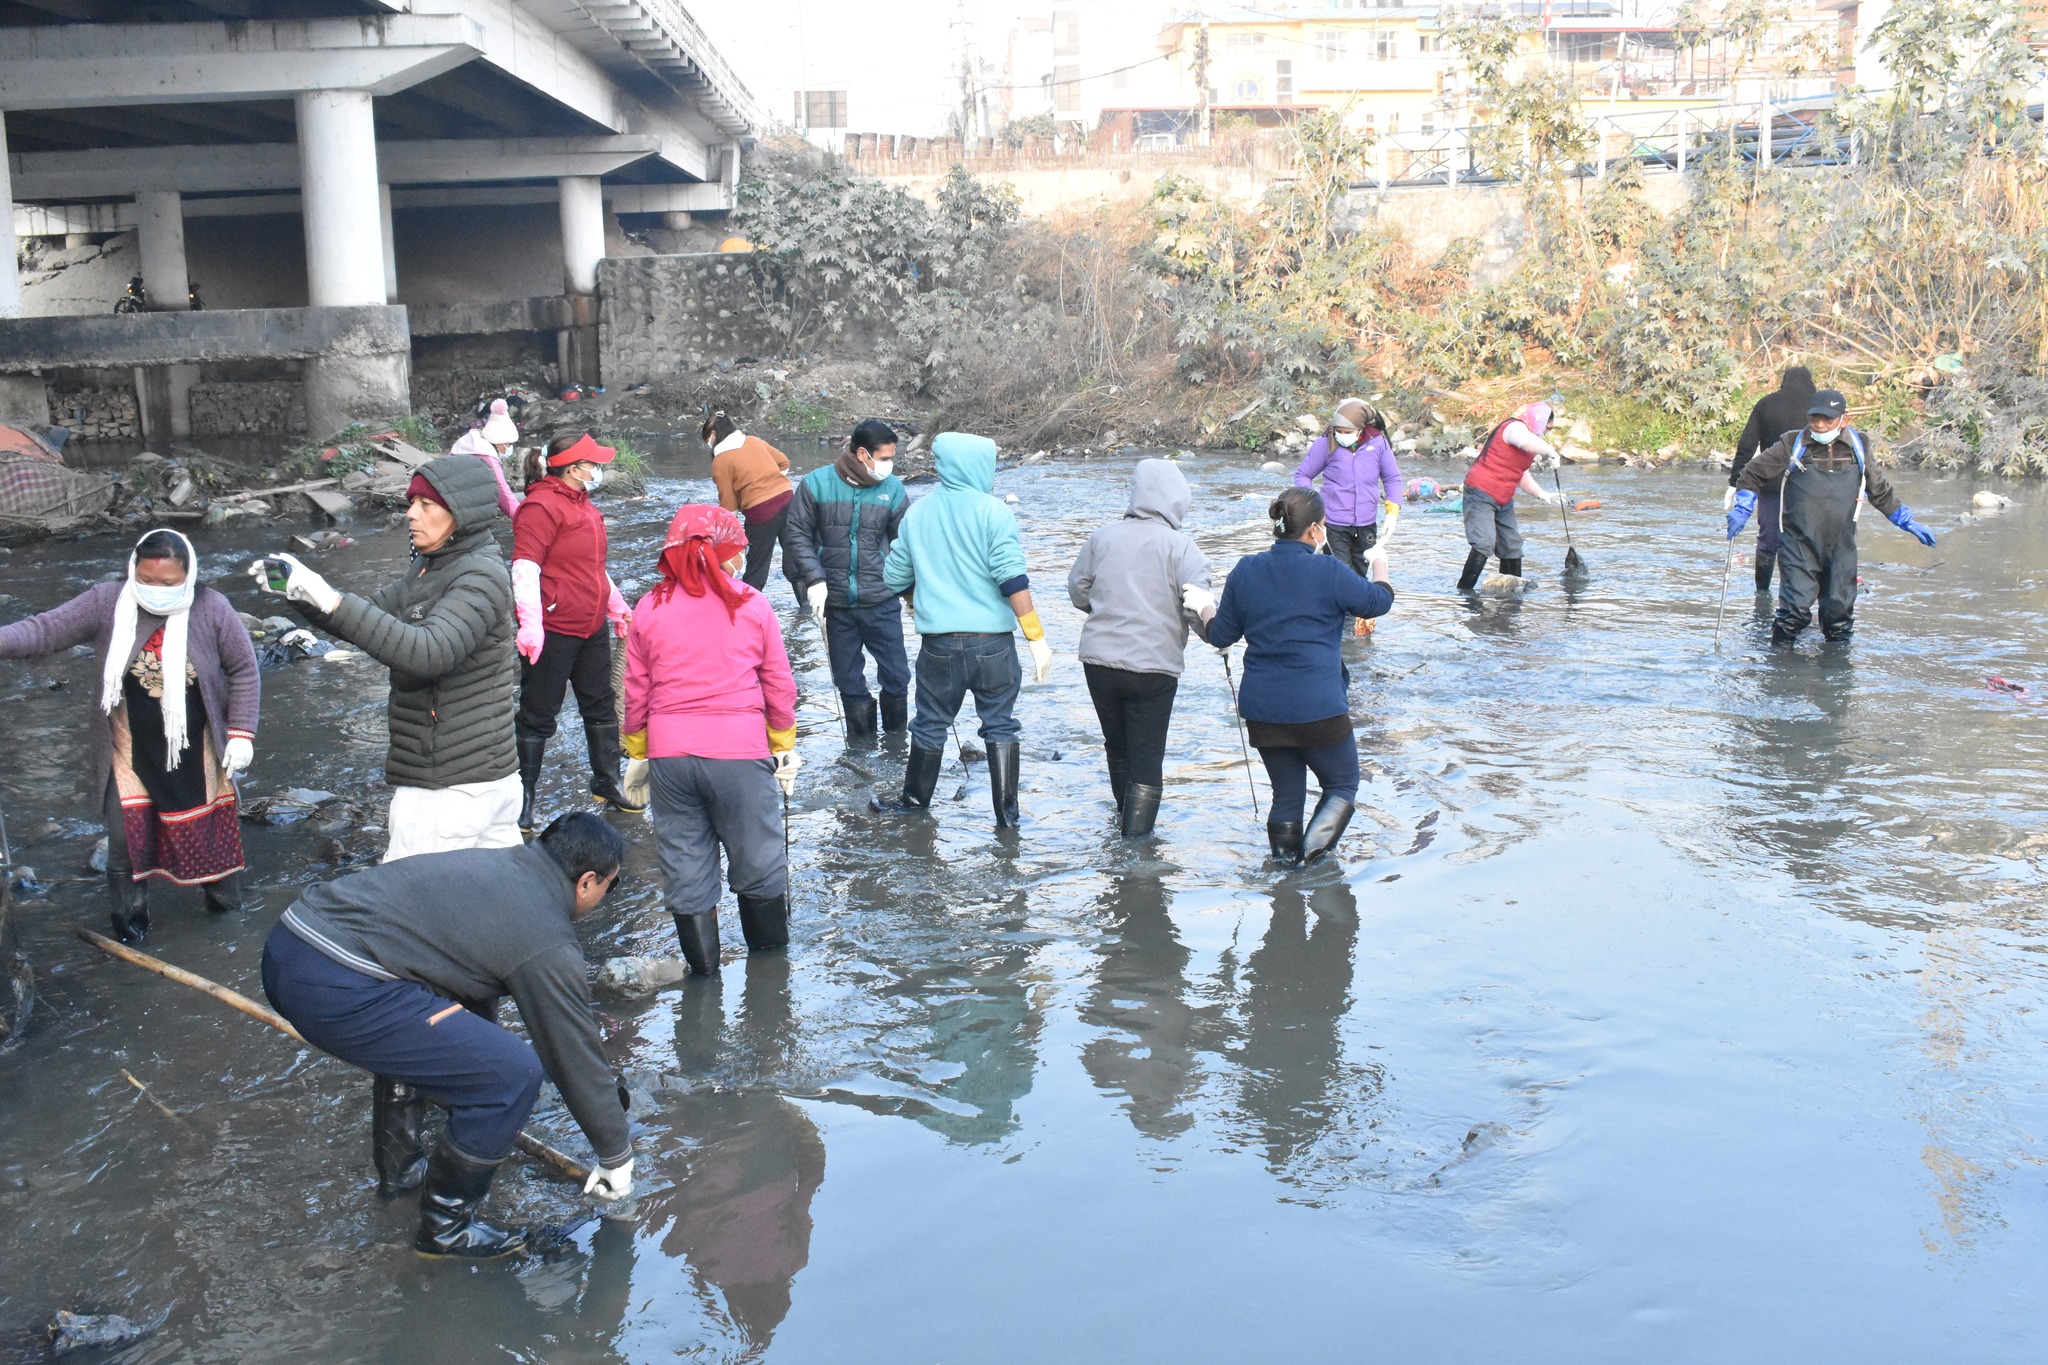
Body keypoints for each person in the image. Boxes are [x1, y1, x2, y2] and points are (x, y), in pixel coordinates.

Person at [261, 812, 634, 1260]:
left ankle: (402, 1172)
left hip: (291, 942)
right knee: (511, 1075)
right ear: (588, 881)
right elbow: (572, 1052)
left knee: (443, 1037)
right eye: (610, 887)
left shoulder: (497, 868)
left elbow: (465, 999)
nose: (605, 897)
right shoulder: (546, 938)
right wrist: (616, 1155)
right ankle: (446, 1228)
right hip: (333, 980)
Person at [254, 456, 520, 860]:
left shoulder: (479, 576)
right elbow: (370, 621)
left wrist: (332, 599)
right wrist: (305, 594)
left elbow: (429, 653)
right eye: (411, 502)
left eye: (426, 505)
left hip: (450, 789)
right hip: (477, 780)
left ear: (461, 514)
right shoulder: (430, 569)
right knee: (490, 910)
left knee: (412, 910)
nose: (411, 514)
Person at [0, 529, 258, 943]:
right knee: (123, 849)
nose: (156, 591)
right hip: (128, 747)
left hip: (198, 750)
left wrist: (242, 732)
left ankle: (229, 929)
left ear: (189, 577)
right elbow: (45, 630)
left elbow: (244, 669)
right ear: (132, 572)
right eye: (147, 580)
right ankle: (130, 929)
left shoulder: (212, 609)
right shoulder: (107, 601)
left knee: (212, 844)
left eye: (169, 583)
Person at [621, 505, 799, 976]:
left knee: (685, 866)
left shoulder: (649, 606)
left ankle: (703, 984)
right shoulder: (752, 604)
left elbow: (636, 688)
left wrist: (638, 752)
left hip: (669, 756)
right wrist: (783, 742)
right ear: (726, 552)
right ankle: (769, 984)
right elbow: (778, 683)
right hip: (739, 754)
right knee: (758, 861)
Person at [871, 432, 1053, 829]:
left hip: (938, 647)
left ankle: (914, 804)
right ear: (979, 467)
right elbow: (1012, 581)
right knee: (1001, 724)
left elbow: (894, 575)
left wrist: (918, 597)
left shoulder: (918, 512)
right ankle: (1007, 819)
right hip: (994, 647)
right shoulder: (994, 512)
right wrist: (1036, 638)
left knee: (931, 723)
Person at [1207, 488, 1394, 866]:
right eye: (1323, 525)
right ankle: (1309, 866)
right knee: (1341, 784)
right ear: (1314, 530)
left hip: (1264, 709)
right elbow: (1379, 602)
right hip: (1318, 705)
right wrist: (1380, 564)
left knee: (1286, 797)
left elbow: (1219, 635)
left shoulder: (1246, 569)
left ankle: (1282, 871)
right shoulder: (1327, 570)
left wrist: (1204, 606)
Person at [1066, 458, 1214, 838]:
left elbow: (1078, 591)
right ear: (1177, 499)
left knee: (1117, 746)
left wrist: (1103, 608)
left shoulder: (1102, 537)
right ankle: (1135, 848)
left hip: (1099, 662)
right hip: (1154, 668)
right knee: (1148, 760)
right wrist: (1216, 636)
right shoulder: (1183, 549)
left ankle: (1121, 816)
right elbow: (1198, 609)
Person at [1729, 387, 1936, 643]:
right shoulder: (1792, 443)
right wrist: (1743, 507)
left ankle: (1837, 677)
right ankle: (1778, 674)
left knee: (1839, 619)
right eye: (1814, 418)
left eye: (1827, 419)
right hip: (1798, 542)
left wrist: (1906, 521)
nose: (1820, 425)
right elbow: (1752, 473)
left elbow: (1878, 489)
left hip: (1841, 545)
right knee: (1793, 614)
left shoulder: (1859, 446)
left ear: (1843, 419)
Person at [510, 432, 640, 829]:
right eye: (593, 463)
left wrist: (618, 608)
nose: (599, 470)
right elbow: (525, 567)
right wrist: (531, 625)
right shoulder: (540, 507)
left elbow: (593, 568)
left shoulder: (584, 506)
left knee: (600, 704)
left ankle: (606, 781)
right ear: (572, 468)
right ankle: (522, 798)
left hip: (591, 625)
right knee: (538, 714)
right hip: (555, 628)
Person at [785, 419, 911, 740]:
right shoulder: (816, 484)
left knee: (897, 676)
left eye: (891, 457)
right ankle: (861, 751)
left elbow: (905, 544)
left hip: (882, 600)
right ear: (862, 454)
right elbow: (796, 534)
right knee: (848, 679)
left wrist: (912, 593)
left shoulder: (893, 490)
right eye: (884, 457)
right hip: (836, 604)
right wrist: (814, 579)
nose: (889, 464)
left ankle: (897, 747)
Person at [1294, 398, 1403, 634]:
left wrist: (1393, 511)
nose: (1342, 435)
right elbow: (1303, 475)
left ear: (1361, 429)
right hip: (1333, 523)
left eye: (1348, 431)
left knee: (1361, 574)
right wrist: (1314, 506)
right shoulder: (1327, 442)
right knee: (1340, 575)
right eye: (1339, 431)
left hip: (1366, 523)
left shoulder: (1378, 443)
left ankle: (1357, 627)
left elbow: (1392, 478)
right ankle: (1339, 631)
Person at [1727, 365, 1817, 594]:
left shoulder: (1766, 404)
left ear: (1783, 381)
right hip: (1810, 486)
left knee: (1768, 540)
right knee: (1806, 541)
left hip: (1771, 482)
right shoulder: (1818, 407)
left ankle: (1762, 592)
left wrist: (1735, 481)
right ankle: (1800, 595)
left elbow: (1747, 444)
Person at [1457, 400, 1564, 591]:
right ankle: (1464, 592)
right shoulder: (1514, 428)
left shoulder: (1529, 442)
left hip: (1503, 499)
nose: (1547, 432)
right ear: (1539, 421)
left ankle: (1511, 593)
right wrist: (1551, 452)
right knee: (1483, 543)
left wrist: (1542, 495)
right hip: (1480, 492)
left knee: (1512, 546)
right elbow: (1523, 440)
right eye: (1547, 427)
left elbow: (1521, 474)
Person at [704, 411, 796, 591]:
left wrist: (727, 535)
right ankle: (807, 610)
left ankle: (746, 612)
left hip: (761, 513)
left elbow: (729, 506)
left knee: (756, 570)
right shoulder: (753, 440)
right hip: (788, 501)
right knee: (796, 561)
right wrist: (771, 481)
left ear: (713, 435)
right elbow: (783, 462)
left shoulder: (720, 461)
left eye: (707, 439)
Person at [448, 428, 520, 520]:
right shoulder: (487, 457)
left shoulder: (460, 447)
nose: (510, 448)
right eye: (509, 444)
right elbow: (503, 495)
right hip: (462, 514)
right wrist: (523, 518)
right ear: (499, 442)